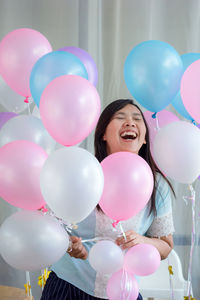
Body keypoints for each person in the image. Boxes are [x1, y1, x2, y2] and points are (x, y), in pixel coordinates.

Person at [41, 99, 175, 300]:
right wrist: (67, 244)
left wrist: (143, 241)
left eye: (137, 119)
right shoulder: (82, 172)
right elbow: (49, 224)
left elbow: (165, 246)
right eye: (120, 118)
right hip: (68, 287)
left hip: (123, 291)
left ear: (145, 138)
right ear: (103, 134)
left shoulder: (158, 186)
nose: (130, 123)